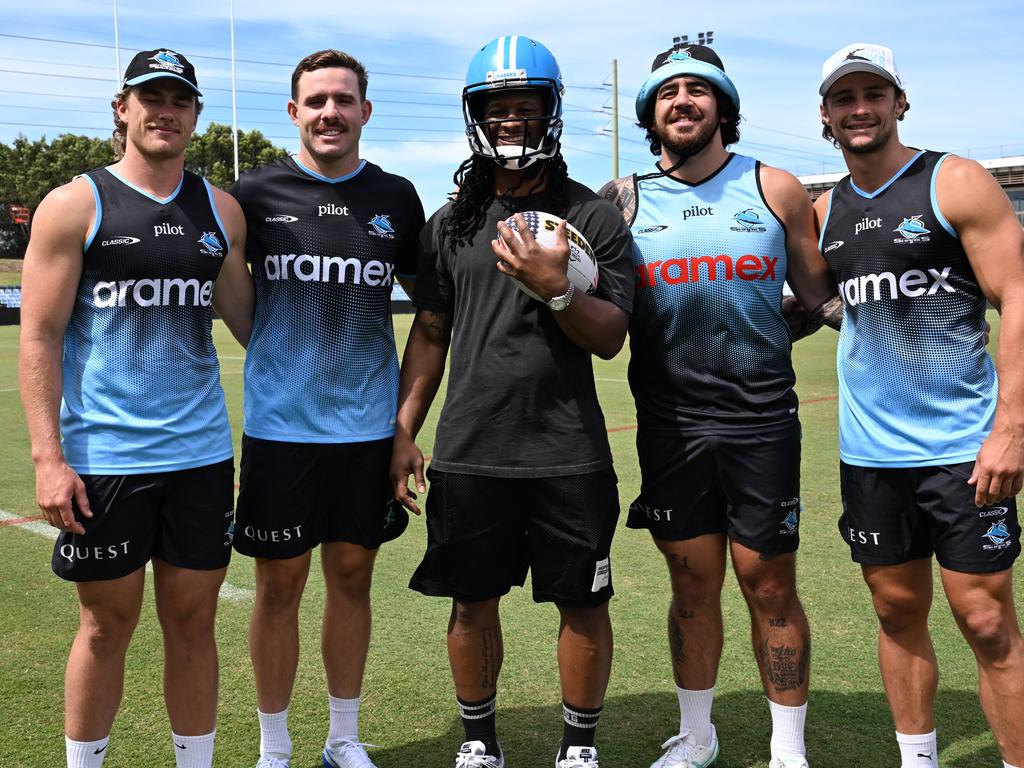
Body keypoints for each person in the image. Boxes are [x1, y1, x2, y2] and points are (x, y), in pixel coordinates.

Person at [390, 35, 635, 768]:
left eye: (525, 107)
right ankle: (477, 741)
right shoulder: (451, 224)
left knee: (585, 603)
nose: (511, 122)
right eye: (497, 110)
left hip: (569, 449)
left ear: (551, 113)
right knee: (471, 603)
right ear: (476, 119)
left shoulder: (592, 218)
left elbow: (611, 337)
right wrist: (404, 429)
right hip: (470, 449)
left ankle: (578, 749)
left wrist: (556, 286)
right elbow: (430, 335)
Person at [599, 45, 841, 768]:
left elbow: (819, 296)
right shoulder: (623, 199)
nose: (682, 101)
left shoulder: (776, 188)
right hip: (670, 427)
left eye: (698, 90)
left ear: (722, 106)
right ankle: (697, 735)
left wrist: (875, 317)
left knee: (770, 585)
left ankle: (787, 750)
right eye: (667, 91)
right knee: (691, 585)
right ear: (650, 111)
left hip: (761, 423)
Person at [18, 48, 251, 768]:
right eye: (150, 97)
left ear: (194, 115)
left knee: (193, 624)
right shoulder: (74, 204)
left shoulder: (222, 210)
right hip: (104, 460)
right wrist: (48, 459)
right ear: (122, 108)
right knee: (104, 627)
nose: (164, 110)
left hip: (201, 459)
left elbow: (254, 328)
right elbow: (40, 336)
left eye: (179, 99)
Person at [815, 43, 1024, 768]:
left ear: (900, 103)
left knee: (988, 621)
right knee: (896, 613)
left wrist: (1012, 430)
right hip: (871, 456)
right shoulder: (823, 211)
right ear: (827, 116)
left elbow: (1017, 296)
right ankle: (918, 760)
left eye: (875, 94)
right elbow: (817, 298)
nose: (860, 108)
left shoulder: (954, 181)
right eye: (845, 98)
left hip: (965, 450)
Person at [229, 49, 424, 768]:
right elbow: (227, 289)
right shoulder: (253, 191)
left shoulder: (398, 198)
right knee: (278, 585)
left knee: (352, 578)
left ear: (365, 111)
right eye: (315, 102)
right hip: (280, 430)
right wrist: (275, 349)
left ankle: (344, 738)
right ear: (294, 113)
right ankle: (273, 748)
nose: (329, 113)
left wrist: (403, 426)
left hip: (367, 432)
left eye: (343, 100)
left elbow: (432, 318)